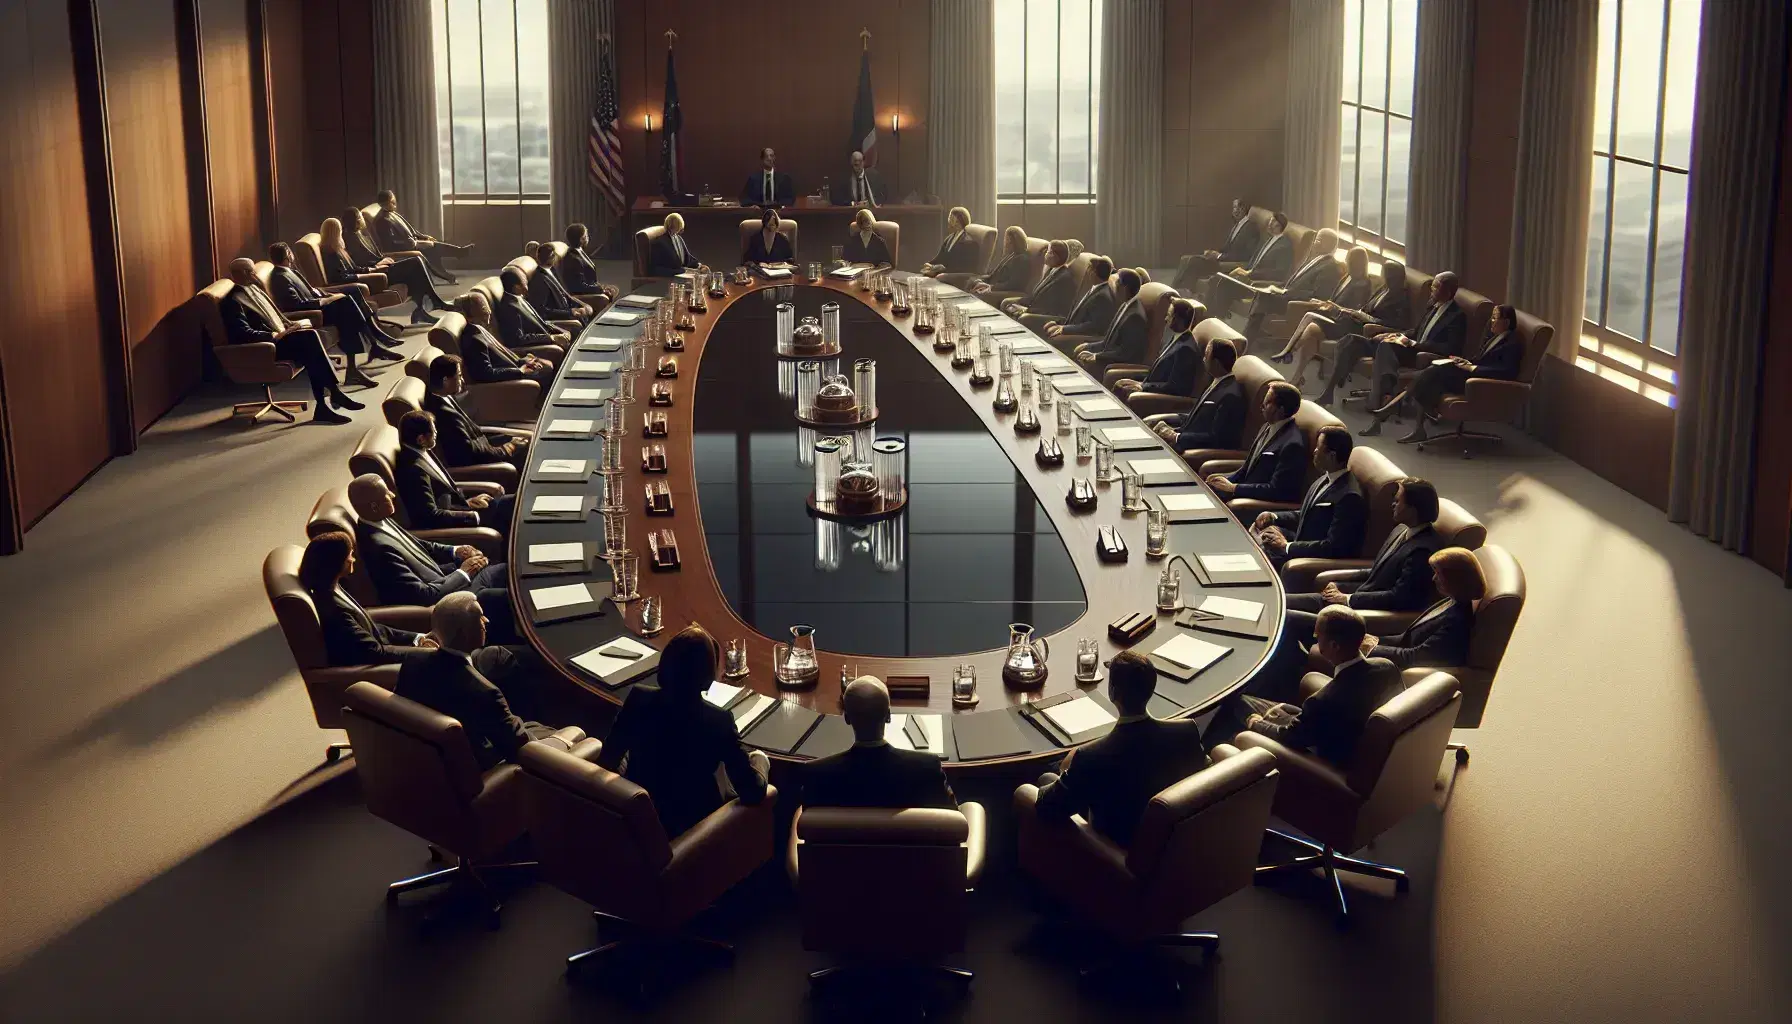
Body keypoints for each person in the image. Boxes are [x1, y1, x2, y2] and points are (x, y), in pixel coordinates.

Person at [596, 624, 770, 837]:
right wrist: (760, 760)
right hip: (695, 834)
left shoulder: (638, 698)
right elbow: (752, 792)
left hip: (636, 824)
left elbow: (607, 761)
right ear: (708, 676)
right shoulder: (718, 721)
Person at [1031, 650, 1209, 846]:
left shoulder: (1091, 756)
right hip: (1174, 845)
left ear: (1112, 692)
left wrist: (1069, 766)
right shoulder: (1186, 732)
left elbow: (1048, 807)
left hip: (1114, 856)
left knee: (1045, 778)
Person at [395, 593, 575, 770]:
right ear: (465, 634)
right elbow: (525, 750)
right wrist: (569, 736)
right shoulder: (485, 693)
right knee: (577, 733)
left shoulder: (413, 661)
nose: (486, 621)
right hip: (492, 770)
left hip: (434, 765)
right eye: (480, 617)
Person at [347, 473, 517, 643]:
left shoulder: (379, 520)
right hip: (451, 600)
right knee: (505, 598)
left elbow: (421, 545)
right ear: (374, 506)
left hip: (448, 581)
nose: (392, 494)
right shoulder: (379, 548)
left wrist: (456, 551)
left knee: (508, 570)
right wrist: (464, 572)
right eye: (386, 494)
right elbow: (423, 594)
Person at [1244, 605, 1401, 766]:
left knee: (1240, 705)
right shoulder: (1387, 667)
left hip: (1329, 759)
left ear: (1334, 646)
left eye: (1317, 635)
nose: (1316, 640)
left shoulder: (1322, 701)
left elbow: (1290, 737)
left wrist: (1257, 724)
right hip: (1351, 739)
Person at [218, 258, 362, 424]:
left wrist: (291, 325)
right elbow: (243, 333)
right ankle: (332, 396)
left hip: (282, 336)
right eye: (251, 272)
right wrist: (274, 334)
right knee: (310, 340)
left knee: (311, 346)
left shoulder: (255, 290)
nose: (255, 275)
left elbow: (276, 315)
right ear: (243, 273)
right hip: (266, 348)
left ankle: (324, 405)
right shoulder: (233, 301)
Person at [1366, 304, 1525, 442]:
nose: (1492, 321)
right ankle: (1415, 425)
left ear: (1507, 322)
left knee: (1431, 373)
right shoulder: (1494, 338)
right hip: (1470, 374)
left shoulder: (1512, 344)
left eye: (1495, 318)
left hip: (1479, 384)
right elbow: (1480, 359)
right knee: (1429, 376)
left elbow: (1507, 372)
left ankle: (1395, 408)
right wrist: (1465, 361)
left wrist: (1472, 369)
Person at [1286, 477, 1443, 616]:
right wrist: (1339, 581)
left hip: (1361, 611)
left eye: (1398, 500)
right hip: (1356, 595)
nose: (1393, 504)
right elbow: (1377, 570)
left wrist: (1347, 599)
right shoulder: (1400, 529)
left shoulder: (1423, 551)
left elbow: (1399, 598)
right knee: (1285, 603)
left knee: (1285, 610)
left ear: (1413, 509)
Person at [801, 676, 956, 809]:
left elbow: (808, 826)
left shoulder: (817, 774)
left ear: (847, 718)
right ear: (888, 716)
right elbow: (952, 819)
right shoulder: (927, 768)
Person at [1331, 270, 1467, 418]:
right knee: (1356, 340)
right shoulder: (1432, 305)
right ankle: (1382, 394)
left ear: (1447, 292)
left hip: (1424, 355)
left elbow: (1450, 348)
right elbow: (1416, 331)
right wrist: (1397, 335)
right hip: (1411, 348)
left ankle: (1379, 398)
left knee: (1385, 347)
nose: (1431, 290)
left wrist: (1414, 344)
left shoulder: (1457, 316)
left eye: (1435, 287)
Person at [265, 242, 399, 388]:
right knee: (346, 306)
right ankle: (370, 347)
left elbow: (312, 290)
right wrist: (325, 300)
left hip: (319, 303)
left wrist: (328, 294)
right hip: (312, 314)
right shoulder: (280, 278)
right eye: (290, 253)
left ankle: (371, 347)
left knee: (351, 296)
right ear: (288, 255)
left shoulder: (290, 271)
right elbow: (296, 304)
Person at [299, 530, 432, 667]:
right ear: (337, 562)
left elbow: (371, 630)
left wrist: (417, 638)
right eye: (350, 555)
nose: (353, 559)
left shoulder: (333, 588)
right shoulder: (335, 610)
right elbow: (375, 652)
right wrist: (427, 654)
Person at [1286, 257, 1415, 396]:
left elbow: (1399, 324)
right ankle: (1297, 375)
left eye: (1385, 273)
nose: (1382, 276)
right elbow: (1366, 308)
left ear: (1392, 276)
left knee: (1314, 327)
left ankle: (1291, 355)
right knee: (1312, 329)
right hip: (1355, 321)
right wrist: (1354, 312)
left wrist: (1372, 320)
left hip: (1367, 329)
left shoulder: (1401, 297)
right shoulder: (1383, 289)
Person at [1248, 426, 1366, 567]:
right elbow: (1309, 515)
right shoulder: (1325, 478)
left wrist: (1287, 546)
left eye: (1318, 448)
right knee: (1258, 534)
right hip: (1298, 544)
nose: (1314, 451)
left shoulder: (1350, 497)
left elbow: (1333, 547)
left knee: (1254, 555)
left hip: (1306, 561)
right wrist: (1275, 516)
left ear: (1332, 456)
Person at [394, 410, 514, 536]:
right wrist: (472, 516)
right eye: (433, 431)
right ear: (421, 439)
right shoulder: (413, 470)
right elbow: (430, 516)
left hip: (463, 508)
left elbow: (444, 489)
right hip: (462, 522)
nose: (436, 433)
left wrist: (468, 502)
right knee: (512, 507)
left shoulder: (420, 451)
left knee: (512, 502)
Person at [1364, 547, 1483, 668]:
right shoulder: (1452, 601)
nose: (1434, 578)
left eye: (1439, 574)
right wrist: (1370, 640)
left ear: (1455, 578)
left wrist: (1370, 649)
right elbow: (1406, 639)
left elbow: (1415, 657)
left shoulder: (1457, 621)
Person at [320, 215, 446, 326]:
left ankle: (421, 309)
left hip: (373, 272)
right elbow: (341, 276)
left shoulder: (339, 249)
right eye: (339, 231)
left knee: (415, 270)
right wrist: (374, 269)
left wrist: (376, 266)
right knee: (415, 263)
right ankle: (431, 302)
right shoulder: (331, 254)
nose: (342, 234)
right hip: (372, 278)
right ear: (334, 233)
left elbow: (354, 268)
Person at [423, 354, 530, 472]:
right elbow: (470, 452)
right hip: (480, 464)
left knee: (528, 439)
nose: (462, 380)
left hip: (485, 445)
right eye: (459, 376)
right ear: (445, 380)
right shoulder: (444, 414)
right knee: (527, 450)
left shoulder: (442, 396)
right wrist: (507, 448)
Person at [1207, 380, 1304, 503]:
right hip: (1244, 490)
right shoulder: (1267, 426)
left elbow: (1276, 490)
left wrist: (1234, 488)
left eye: (1267, 402)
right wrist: (1225, 480)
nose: (1261, 406)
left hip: (1255, 501)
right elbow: (1246, 469)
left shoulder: (1292, 445)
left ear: (1281, 410)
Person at [1240, 228, 1342, 339]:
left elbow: (1317, 295)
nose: (1314, 243)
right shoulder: (1314, 260)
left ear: (1328, 244)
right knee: (1262, 296)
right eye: (1316, 239)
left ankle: (1247, 339)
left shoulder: (1330, 267)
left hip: (1296, 304)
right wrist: (1279, 288)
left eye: (1318, 240)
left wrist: (1287, 292)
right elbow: (1295, 282)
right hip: (1287, 297)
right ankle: (1251, 337)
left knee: (1263, 300)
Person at [1153, 338, 1247, 452]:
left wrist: (1176, 437)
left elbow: (1216, 438)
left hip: (1192, 449)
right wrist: (1165, 420)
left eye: (1206, 355)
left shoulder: (1230, 396)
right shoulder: (1217, 381)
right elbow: (1196, 417)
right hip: (1184, 436)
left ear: (1216, 363)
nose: (1203, 359)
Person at [372, 189, 474, 284]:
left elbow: (411, 230)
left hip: (412, 241)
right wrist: (416, 244)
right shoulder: (382, 221)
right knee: (432, 247)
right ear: (385, 203)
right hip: (405, 247)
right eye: (393, 202)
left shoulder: (392, 213)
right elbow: (391, 243)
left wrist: (424, 237)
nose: (395, 204)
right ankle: (455, 258)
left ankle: (456, 258)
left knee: (432, 245)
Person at [1203, 210, 1292, 316]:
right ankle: (1206, 315)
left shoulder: (1284, 246)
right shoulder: (1267, 240)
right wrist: (1243, 270)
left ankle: (1218, 316)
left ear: (1278, 224)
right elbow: (1253, 261)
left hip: (1256, 283)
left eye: (1271, 221)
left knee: (1224, 284)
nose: (1268, 223)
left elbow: (1279, 273)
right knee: (1215, 279)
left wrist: (1250, 273)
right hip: (1245, 278)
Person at [453, 293, 554, 385]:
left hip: (516, 367)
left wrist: (525, 361)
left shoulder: (478, 329)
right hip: (510, 382)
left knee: (547, 366)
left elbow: (503, 356)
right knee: (547, 371)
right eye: (483, 309)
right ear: (468, 316)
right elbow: (486, 374)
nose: (488, 312)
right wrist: (520, 371)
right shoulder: (473, 339)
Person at [1113, 299, 1201, 398]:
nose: (1166, 319)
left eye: (1169, 315)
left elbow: (1174, 387)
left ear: (1179, 320)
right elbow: (1157, 371)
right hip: (1151, 384)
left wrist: (1143, 387)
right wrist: (1135, 381)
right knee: (1118, 382)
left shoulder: (1186, 350)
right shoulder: (1176, 338)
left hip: (1159, 396)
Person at [1172, 198, 1261, 293]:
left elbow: (1247, 254)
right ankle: (1180, 290)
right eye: (1233, 208)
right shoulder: (1237, 225)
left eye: (1236, 207)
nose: (1234, 211)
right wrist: (1214, 252)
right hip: (1223, 258)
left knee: (1192, 261)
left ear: (1243, 209)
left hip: (1230, 263)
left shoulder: (1251, 227)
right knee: (1185, 259)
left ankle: (1177, 291)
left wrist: (1219, 256)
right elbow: (1227, 248)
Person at [1073, 268, 1148, 372]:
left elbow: (1125, 354)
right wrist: (1088, 346)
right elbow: (1108, 342)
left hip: (1116, 364)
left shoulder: (1135, 317)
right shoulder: (1126, 305)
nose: (1112, 286)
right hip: (1108, 355)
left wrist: (1096, 356)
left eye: (1116, 283)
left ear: (1124, 288)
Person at [1040, 256, 1117, 349]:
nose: (1086, 272)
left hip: (1084, 336)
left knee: (1054, 339)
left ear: (1093, 272)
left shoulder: (1103, 296)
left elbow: (1093, 326)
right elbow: (1075, 315)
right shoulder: (1094, 289)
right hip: (1073, 328)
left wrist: (1064, 329)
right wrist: (1057, 322)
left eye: (1089, 268)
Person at [495, 266, 571, 350]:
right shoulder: (509, 308)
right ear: (517, 287)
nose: (527, 282)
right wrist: (551, 338)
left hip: (546, 337)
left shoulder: (519, 297)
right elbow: (519, 339)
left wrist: (561, 331)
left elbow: (541, 323)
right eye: (524, 281)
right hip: (538, 346)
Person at [1001, 239, 1076, 320]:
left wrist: (1027, 310)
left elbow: (1052, 309)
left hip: (1045, 317)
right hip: (1034, 310)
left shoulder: (1064, 279)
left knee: (1022, 317)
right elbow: (1035, 297)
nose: (1045, 255)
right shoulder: (1052, 271)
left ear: (1055, 256)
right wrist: (1018, 302)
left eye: (1048, 252)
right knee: (1007, 304)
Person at [527, 246, 594, 325]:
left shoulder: (552, 270)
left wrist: (583, 305)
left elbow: (565, 294)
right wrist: (569, 312)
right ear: (550, 258)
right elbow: (542, 310)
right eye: (553, 255)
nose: (556, 257)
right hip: (561, 317)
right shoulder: (539, 280)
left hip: (569, 309)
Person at [559, 223, 619, 306]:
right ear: (581, 239)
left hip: (589, 288)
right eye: (586, 236)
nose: (588, 238)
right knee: (605, 297)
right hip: (581, 294)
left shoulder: (579, 251)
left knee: (614, 289)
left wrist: (601, 287)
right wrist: (600, 289)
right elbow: (579, 286)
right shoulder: (573, 259)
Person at [969, 226, 1031, 295]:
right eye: (1006, 240)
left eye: (1009, 241)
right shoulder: (1010, 255)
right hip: (992, 286)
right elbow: (993, 276)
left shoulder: (1022, 260)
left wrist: (991, 287)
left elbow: (1012, 284)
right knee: (971, 282)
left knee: (977, 293)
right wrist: (980, 281)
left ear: (1017, 242)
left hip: (999, 291)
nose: (1006, 243)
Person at [920, 206, 980, 277]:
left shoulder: (968, 242)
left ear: (959, 220)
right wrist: (930, 265)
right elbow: (940, 258)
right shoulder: (950, 238)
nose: (949, 221)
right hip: (943, 272)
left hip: (955, 276)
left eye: (951, 218)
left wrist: (938, 270)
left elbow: (963, 267)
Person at [648, 212, 703, 277]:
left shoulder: (678, 238)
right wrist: (680, 271)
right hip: (671, 278)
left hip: (682, 274)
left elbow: (686, 257)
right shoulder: (659, 243)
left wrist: (699, 265)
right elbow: (655, 269)